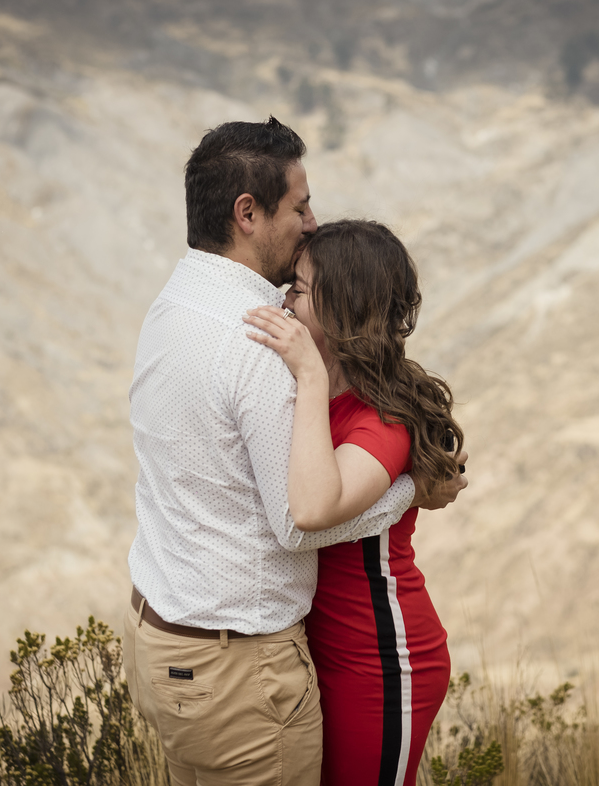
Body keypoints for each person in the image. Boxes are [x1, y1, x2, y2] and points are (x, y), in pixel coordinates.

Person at [123, 117, 468, 786]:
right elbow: (298, 517)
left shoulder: (174, 305)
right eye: (299, 206)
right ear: (247, 214)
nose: (311, 221)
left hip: (357, 654)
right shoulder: (264, 351)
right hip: (252, 668)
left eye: (302, 292)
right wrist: (408, 493)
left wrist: (405, 467)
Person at [243, 219, 464, 786]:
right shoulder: (310, 394)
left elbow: (314, 508)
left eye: (297, 287)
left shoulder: (381, 417)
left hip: (382, 660)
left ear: (341, 311)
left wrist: (311, 374)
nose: (282, 300)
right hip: (321, 657)